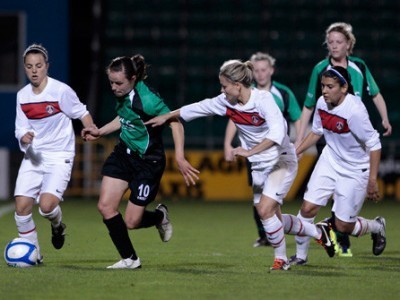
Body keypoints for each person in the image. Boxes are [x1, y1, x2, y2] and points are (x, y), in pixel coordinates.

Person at [146, 59, 336, 271]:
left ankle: (281, 260)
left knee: (265, 211)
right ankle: (320, 232)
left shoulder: (264, 100)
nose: (222, 90)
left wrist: (249, 151)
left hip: (281, 159)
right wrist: (166, 116)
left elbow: (277, 133)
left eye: (224, 85)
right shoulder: (226, 101)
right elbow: (199, 107)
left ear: (238, 85)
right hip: (259, 165)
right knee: (273, 218)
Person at [81, 55, 199, 269]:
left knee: (132, 222)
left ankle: (158, 217)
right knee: (106, 206)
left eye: (119, 83)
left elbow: (176, 123)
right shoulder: (124, 94)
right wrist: (100, 131)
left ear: (133, 78)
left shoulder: (149, 100)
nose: (114, 87)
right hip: (123, 155)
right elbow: (124, 117)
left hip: (148, 163)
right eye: (111, 82)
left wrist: (180, 156)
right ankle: (130, 259)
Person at [296, 22, 392, 257]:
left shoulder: (355, 110)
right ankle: (300, 257)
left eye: (329, 87)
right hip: (330, 158)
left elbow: (375, 144)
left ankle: (377, 227)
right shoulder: (322, 101)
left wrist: (372, 180)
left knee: (343, 226)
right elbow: (316, 131)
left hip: (355, 167)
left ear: (344, 87)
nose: (324, 91)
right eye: (323, 86)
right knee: (307, 208)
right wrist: (296, 149)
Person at [14, 43, 96, 263]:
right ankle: (34, 255)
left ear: (46, 66)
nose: (34, 70)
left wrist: (90, 127)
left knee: (47, 206)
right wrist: (23, 136)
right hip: (34, 157)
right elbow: (20, 127)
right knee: (21, 208)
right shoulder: (22, 96)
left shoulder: (60, 91)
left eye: (38, 65)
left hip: (60, 155)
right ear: (24, 68)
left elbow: (81, 112)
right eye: (29, 66)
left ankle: (57, 225)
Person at [224, 52, 302, 248]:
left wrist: (299, 145)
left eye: (264, 70)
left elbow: (297, 119)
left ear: (271, 71)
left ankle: (283, 240)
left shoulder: (282, 93)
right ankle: (266, 235)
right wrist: (227, 144)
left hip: (276, 154)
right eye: (256, 70)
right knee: (258, 198)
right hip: (254, 154)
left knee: (269, 201)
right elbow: (235, 119)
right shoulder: (243, 94)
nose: (260, 74)